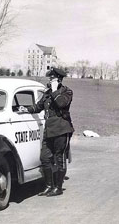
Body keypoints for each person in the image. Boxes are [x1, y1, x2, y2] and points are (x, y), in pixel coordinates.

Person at [20, 67, 74, 196]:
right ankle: (49, 186)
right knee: (45, 158)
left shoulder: (67, 92)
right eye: (49, 78)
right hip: (49, 130)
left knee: (59, 158)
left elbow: (61, 104)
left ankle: (58, 188)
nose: (50, 80)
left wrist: (55, 90)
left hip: (62, 129)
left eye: (52, 78)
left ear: (59, 79)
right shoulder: (47, 93)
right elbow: (38, 106)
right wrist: (26, 109)